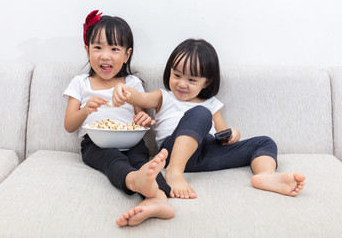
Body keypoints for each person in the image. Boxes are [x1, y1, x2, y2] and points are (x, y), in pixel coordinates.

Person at [112, 38, 306, 199]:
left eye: (192, 80)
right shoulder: (164, 97)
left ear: (207, 82)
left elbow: (222, 134)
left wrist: (233, 135)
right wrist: (123, 91)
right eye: (176, 75)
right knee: (200, 113)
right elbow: (138, 97)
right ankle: (175, 172)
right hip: (173, 153)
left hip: (208, 153)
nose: (181, 84)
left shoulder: (211, 103)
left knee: (265, 142)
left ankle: (266, 175)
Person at [63, 10, 174, 227]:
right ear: (87, 51)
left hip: (131, 141)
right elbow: (69, 125)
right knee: (114, 160)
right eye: (98, 47)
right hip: (95, 145)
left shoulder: (131, 83)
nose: (105, 55)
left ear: (126, 55)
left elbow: (140, 115)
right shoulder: (81, 83)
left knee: (145, 163)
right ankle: (136, 183)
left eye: (114, 49)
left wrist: (142, 118)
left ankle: (159, 200)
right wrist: (85, 110)